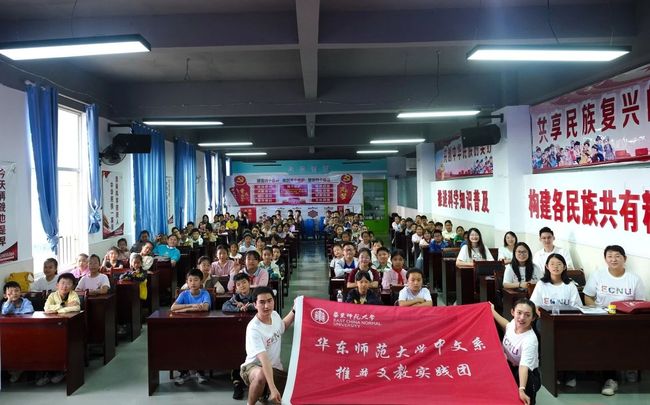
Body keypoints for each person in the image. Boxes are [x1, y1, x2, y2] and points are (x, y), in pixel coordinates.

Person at [582, 244, 646, 395]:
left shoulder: (634, 279)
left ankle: (628, 368)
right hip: (602, 319)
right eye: (610, 256)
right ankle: (610, 380)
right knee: (603, 340)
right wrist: (597, 312)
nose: (613, 259)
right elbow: (588, 297)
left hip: (625, 321)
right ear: (605, 259)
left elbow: (640, 303)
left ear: (625, 259)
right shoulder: (598, 275)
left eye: (617, 256)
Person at [240, 287, 295, 405]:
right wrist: (273, 388)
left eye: (270, 301)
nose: (266, 306)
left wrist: (294, 311)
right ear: (255, 304)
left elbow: (283, 326)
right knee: (261, 375)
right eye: (262, 302)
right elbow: (264, 360)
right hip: (253, 367)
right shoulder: (254, 328)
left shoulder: (274, 315)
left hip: (275, 369)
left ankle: (264, 395)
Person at [491, 298, 541, 405]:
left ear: (533, 318)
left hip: (526, 376)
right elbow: (507, 325)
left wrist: (521, 389)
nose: (522, 318)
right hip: (510, 368)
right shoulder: (514, 323)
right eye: (519, 313)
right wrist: (492, 311)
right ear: (512, 312)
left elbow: (523, 366)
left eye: (527, 315)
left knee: (523, 400)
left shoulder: (530, 340)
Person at [172, 268, 211, 385]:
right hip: (185, 327)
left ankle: (200, 372)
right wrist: (191, 306)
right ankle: (184, 373)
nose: (193, 283)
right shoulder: (184, 294)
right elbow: (173, 308)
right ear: (187, 282)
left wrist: (183, 309)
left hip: (202, 327)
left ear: (201, 281)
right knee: (182, 345)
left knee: (201, 344)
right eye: (190, 280)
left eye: (196, 280)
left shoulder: (205, 293)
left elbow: (205, 307)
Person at [223, 272, 257, 399]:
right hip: (239, 332)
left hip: (255, 333)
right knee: (237, 354)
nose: (242, 286)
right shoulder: (235, 298)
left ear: (249, 283)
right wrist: (238, 309)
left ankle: (255, 382)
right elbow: (225, 306)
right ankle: (237, 384)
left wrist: (250, 307)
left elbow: (262, 305)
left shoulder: (255, 296)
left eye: (244, 282)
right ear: (236, 287)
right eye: (238, 284)